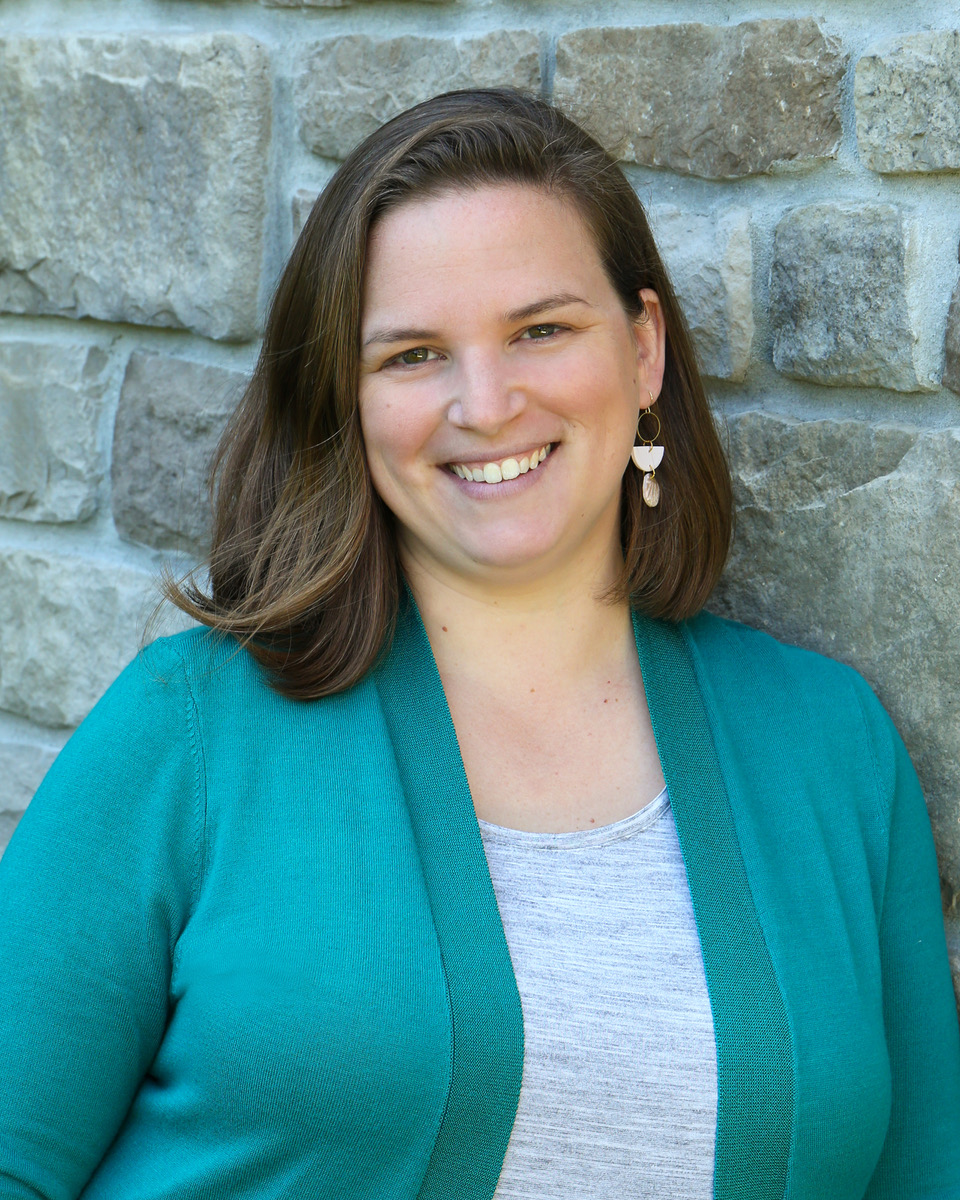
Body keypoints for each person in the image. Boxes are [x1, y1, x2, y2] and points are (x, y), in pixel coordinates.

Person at [0, 87, 958, 1200]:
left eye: (541, 330)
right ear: (346, 402)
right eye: (412, 356)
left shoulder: (827, 747)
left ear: (644, 351)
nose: (487, 402)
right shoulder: (194, 732)